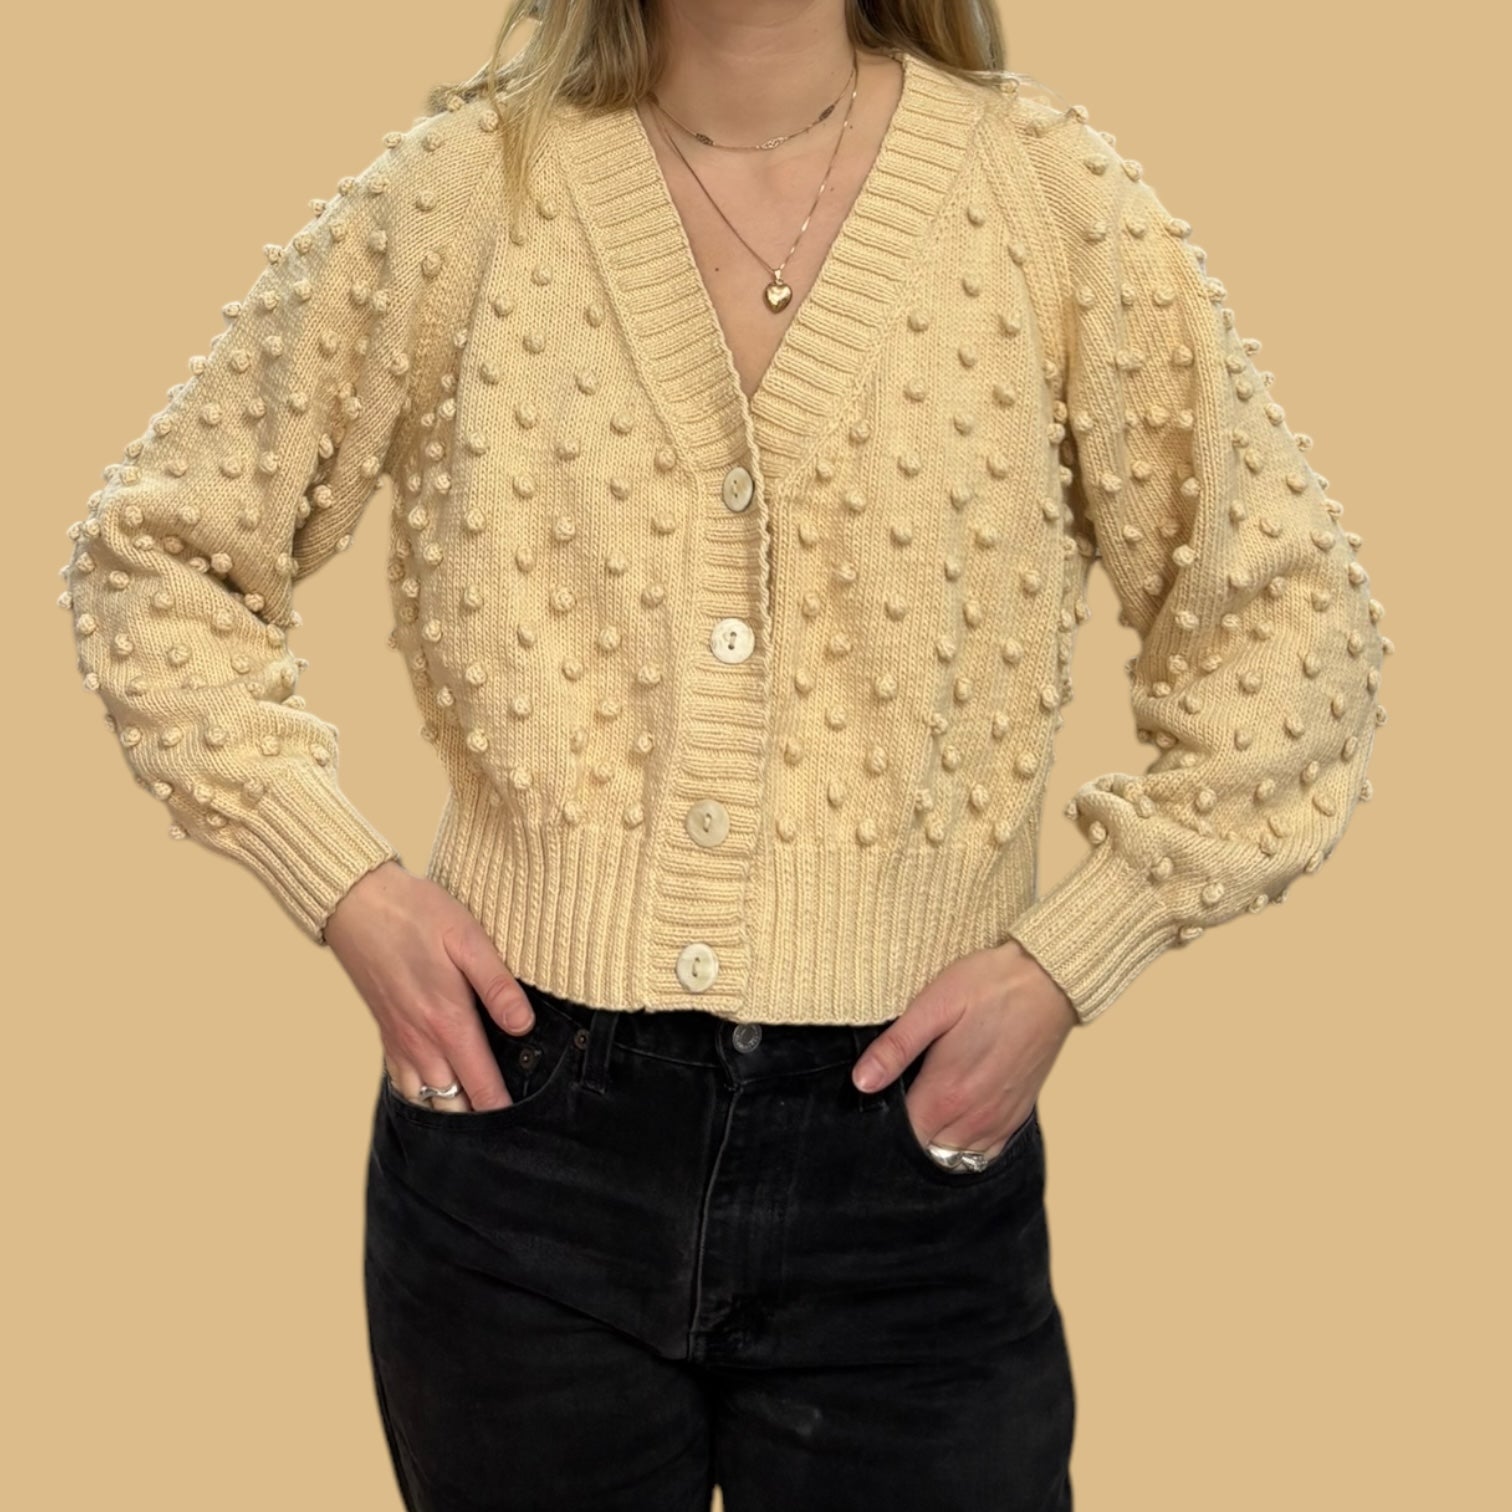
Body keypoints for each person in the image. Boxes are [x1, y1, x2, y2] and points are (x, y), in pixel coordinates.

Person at [55, 0, 1393, 1507]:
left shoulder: (1048, 198)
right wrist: (342, 881)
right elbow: (155, 552)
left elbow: (1298, 626)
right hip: (516, 1142)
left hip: (912, 1156)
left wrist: (1077, 954)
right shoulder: (461, 193)